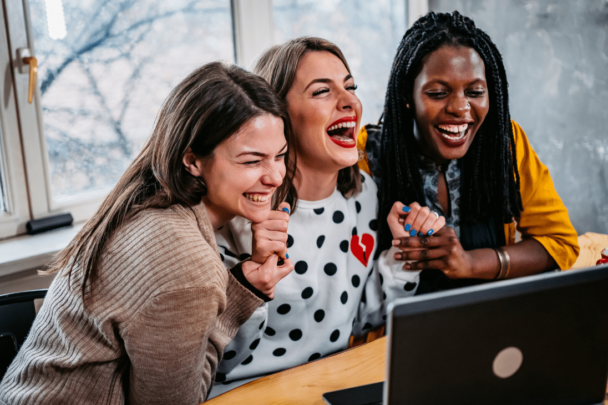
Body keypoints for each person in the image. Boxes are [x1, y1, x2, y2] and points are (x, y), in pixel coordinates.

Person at [0, 62, 295, 404]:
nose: (274, 176)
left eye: (281, 155)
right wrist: (236, 301)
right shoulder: (187, 265)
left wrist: (242, 285)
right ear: (193, 160)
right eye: (251, 161)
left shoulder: (149, 205)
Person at [208, 37, 445, 397]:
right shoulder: (242, 210)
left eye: (350, 87)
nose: (350, 102)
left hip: (332, 385)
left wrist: (403, 255)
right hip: (247, 393)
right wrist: (249, 283)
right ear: (278, 115)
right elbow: (214, 362)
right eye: (322, 91)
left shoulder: (366, 194)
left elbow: (360, 319)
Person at [358, 11, 579, 294]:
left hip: (491, 322)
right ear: (406, 95)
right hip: (396, 333)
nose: (460, 109)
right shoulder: (365, 157)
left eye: (475, 92)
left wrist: (470, 263)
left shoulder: (505, 144)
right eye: (438, 93)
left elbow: (559, 243)